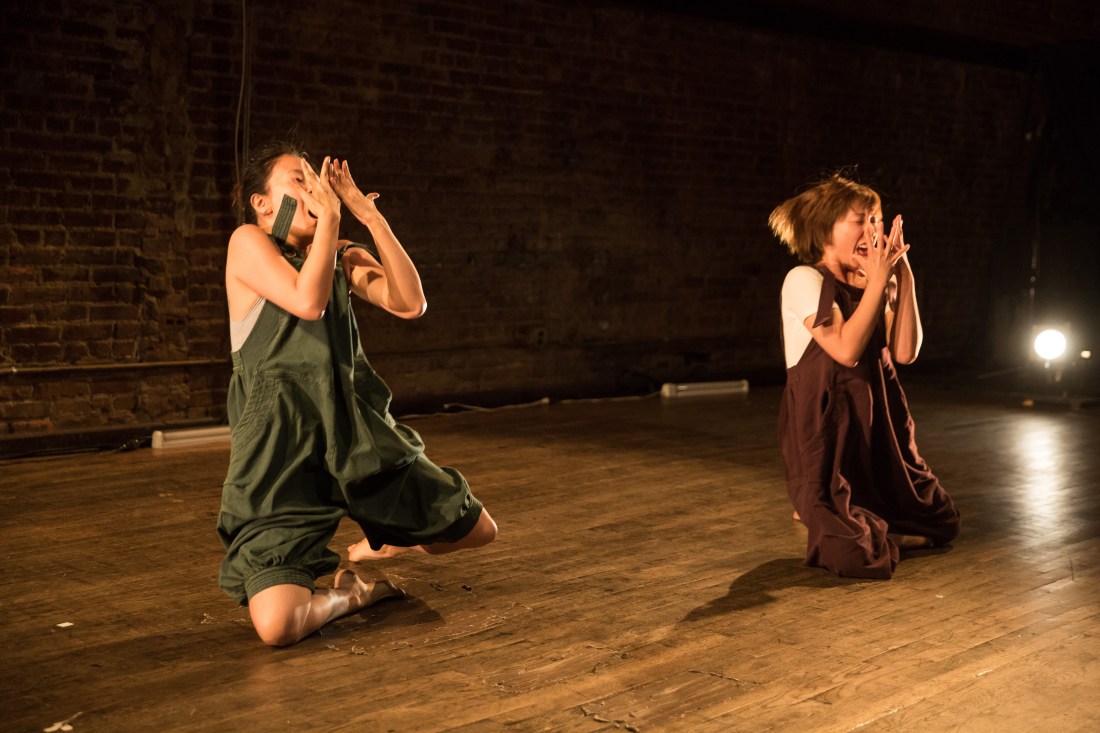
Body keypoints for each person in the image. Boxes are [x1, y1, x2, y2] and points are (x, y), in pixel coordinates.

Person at [217, 142, 497, 646]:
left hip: (357, 443)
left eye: (312, 177)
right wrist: (327, 224)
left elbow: (412, 304)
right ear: (262, 203)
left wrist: (368, 218)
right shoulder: (249, 244)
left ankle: (389, 539)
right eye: (297, 180)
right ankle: (356, 593)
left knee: (479, 530)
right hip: (282, 458)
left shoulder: (341, 254)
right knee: (277, 628)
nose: (313, 188)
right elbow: (307, 300)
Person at [769, 174, 960, 579]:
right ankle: (817, 505)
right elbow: (846, 350)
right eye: (862, 220)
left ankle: (845, 514)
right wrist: (877, 284)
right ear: (825, 230)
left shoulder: (873, 283)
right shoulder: (804, 279)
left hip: (880, 427)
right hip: (828, 430)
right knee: (856, 557)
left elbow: (906, 352)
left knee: (942, 522)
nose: (874, 230)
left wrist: (903, 277)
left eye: (877, 220)